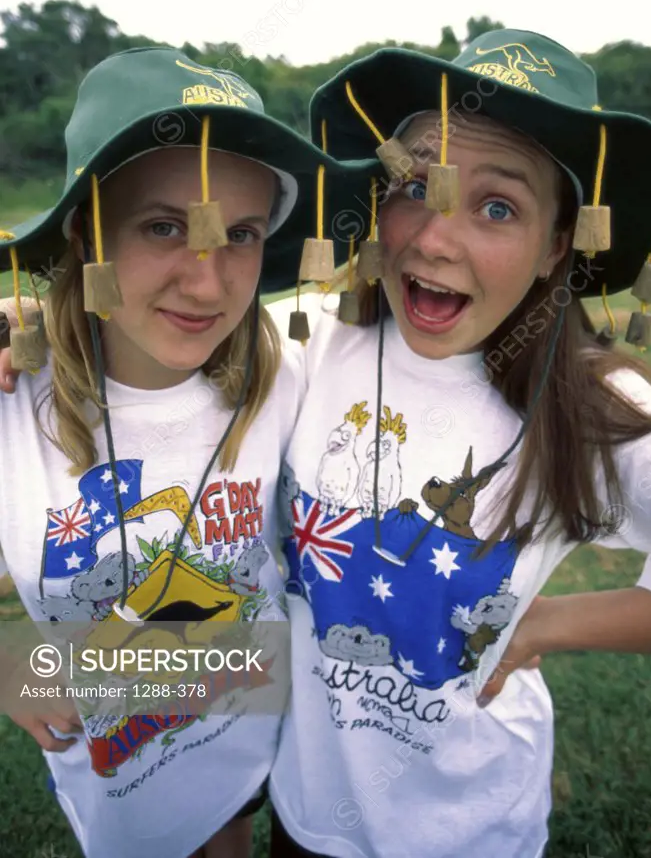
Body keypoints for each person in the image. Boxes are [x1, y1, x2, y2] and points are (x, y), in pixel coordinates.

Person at [262, 29, 651, 858]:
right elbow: (151, 354)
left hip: (472, 828)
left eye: (497, 207)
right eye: (415, 185)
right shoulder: (308, 345)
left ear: (560, 242)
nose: (433, 240)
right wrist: (32, 330)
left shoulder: (593, 406)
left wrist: (542, 623)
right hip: (307, 809)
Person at [0, 46, 376, 858]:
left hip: (245, 729)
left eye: (239, 234)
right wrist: (7, 667)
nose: (207, 287)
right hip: (112, 771)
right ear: (84, 229)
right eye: (164, 226)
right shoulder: (11, 403)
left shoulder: (291, 368)